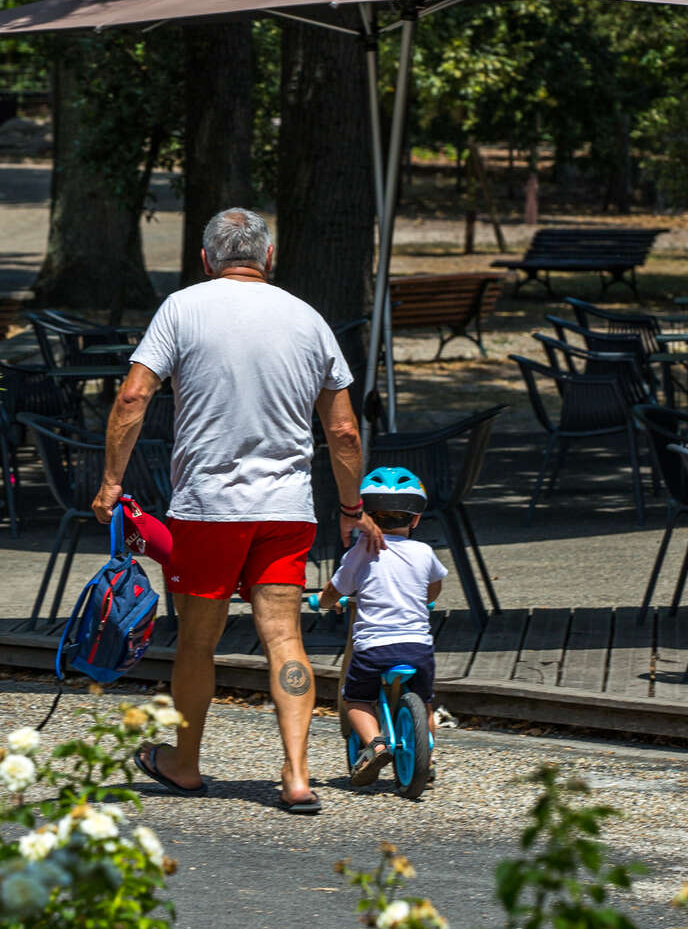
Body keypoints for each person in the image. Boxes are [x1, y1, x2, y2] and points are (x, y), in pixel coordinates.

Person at [92, 207, 382, 815]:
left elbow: (133, 396)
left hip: (208, 509)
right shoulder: (308, 319)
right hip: (287, 510)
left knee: (198, 641)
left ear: (206, 259)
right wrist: (351, 506)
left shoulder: (182, 309)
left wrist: (113, 482)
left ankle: (184, 762)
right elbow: (344, 431)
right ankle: (297, 775)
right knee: (285, 637)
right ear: (268, 257)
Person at [314, 467, 445, 785]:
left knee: (356, 698)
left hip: (374, 648)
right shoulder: (424, 552)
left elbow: (335, 589)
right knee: (425, 702)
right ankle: (426, 758)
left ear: (367, 518)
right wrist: (425, 601)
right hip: (418, 647)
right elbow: (434, 587)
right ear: (415, 519)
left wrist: (324, 602)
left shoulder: (360, 552)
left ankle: (376, 744)